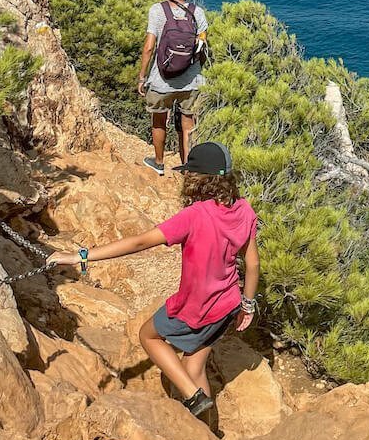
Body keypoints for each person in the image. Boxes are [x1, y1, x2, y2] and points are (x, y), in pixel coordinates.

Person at [48, 141, 258, 417]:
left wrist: (81, 256)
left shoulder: (194, 216)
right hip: (227, 303)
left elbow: (140, 242)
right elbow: (252, 263)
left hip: (196, 306)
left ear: (197, 179)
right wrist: (248, 306)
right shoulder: (244, 209)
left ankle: (194, 398)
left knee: (148, 335)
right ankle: (207, 433)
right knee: (194, 367)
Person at [138, 0, 209, 177]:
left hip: (162, 80)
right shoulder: (198, 12)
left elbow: (149, 48)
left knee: (159, 120)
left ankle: (159, 163)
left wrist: (142, 77)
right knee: (188, 126)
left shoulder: (157, 11)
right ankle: (188, 169)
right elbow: (202, 46)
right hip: (192, 80)